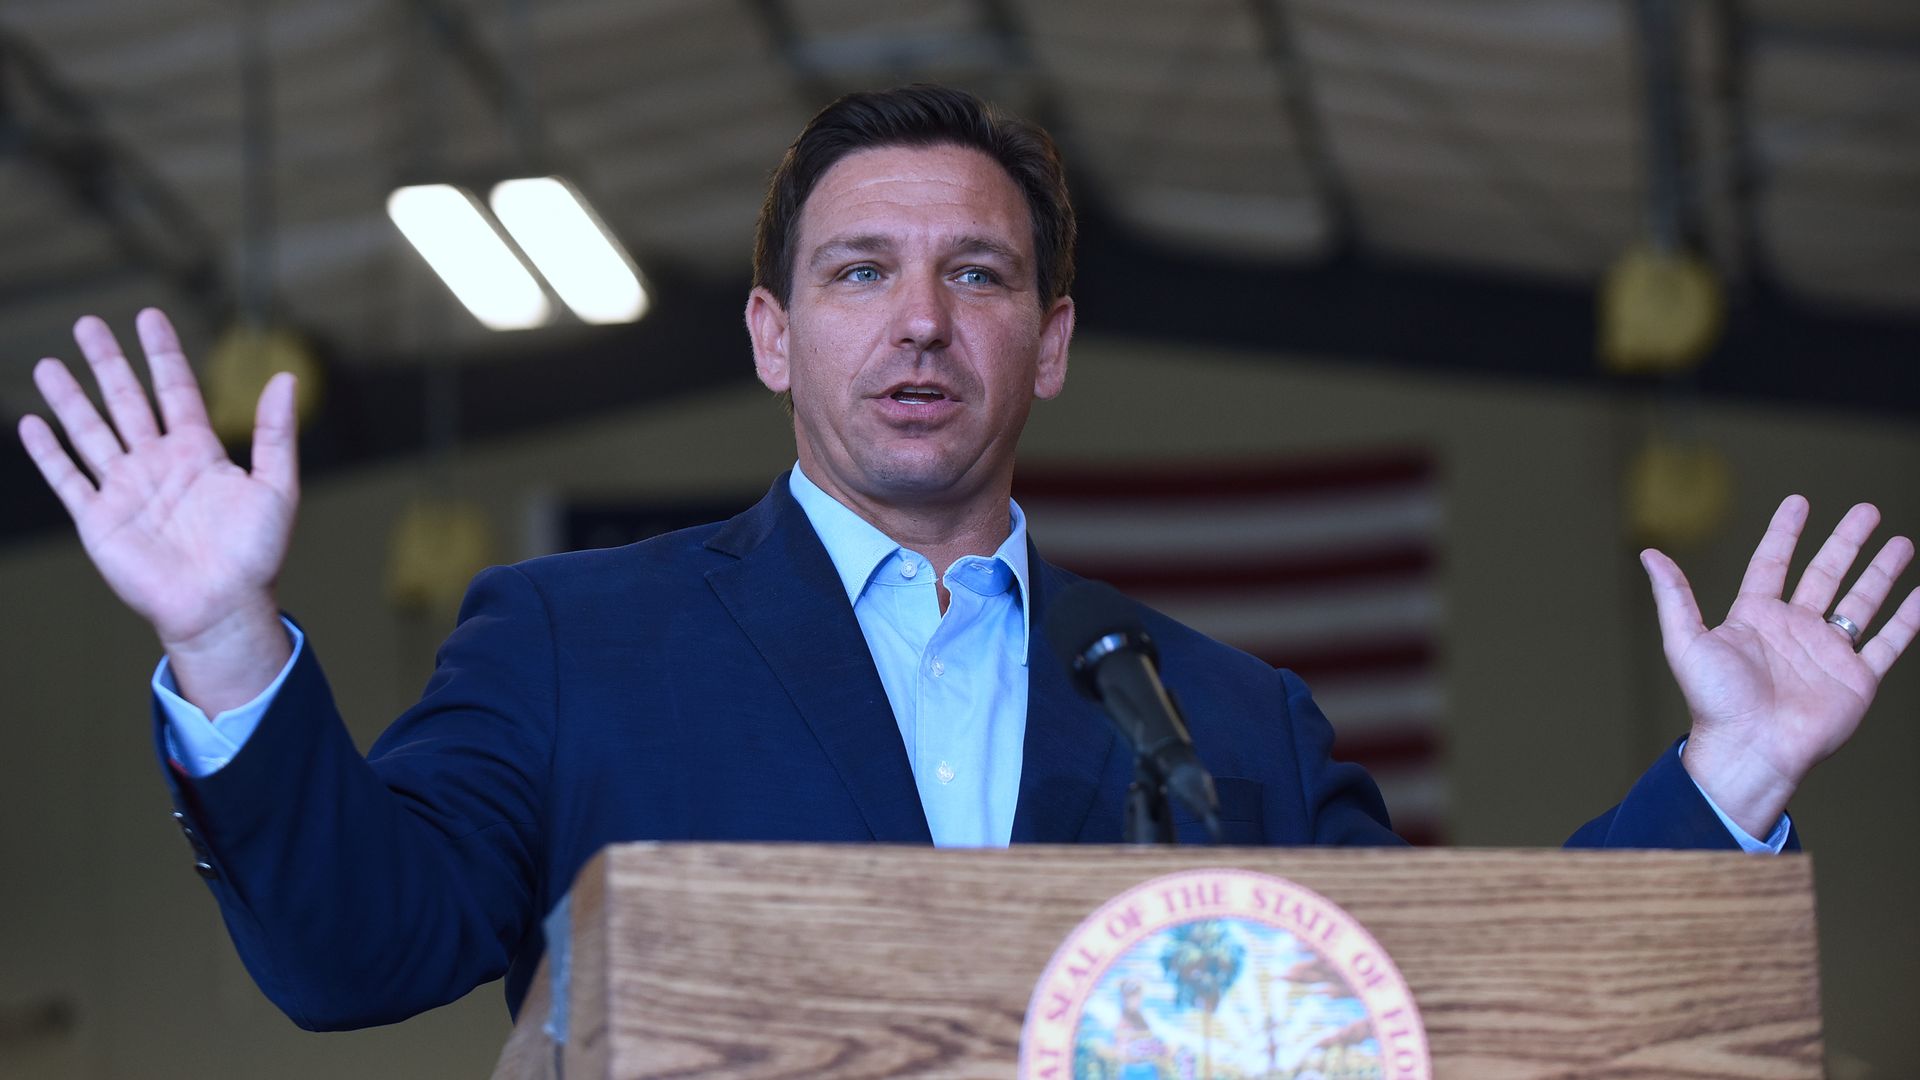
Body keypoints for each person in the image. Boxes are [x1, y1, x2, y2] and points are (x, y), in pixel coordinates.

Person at [14, 86, 1919, 1030]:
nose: (918, 320)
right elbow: (357, 952)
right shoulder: (569, 641)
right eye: (860, 273)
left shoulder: (1226, 721)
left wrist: (1726, 783)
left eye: (978, 274)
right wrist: (229, 641)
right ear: (773, 335)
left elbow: (1411, 1014)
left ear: (1054, 344)